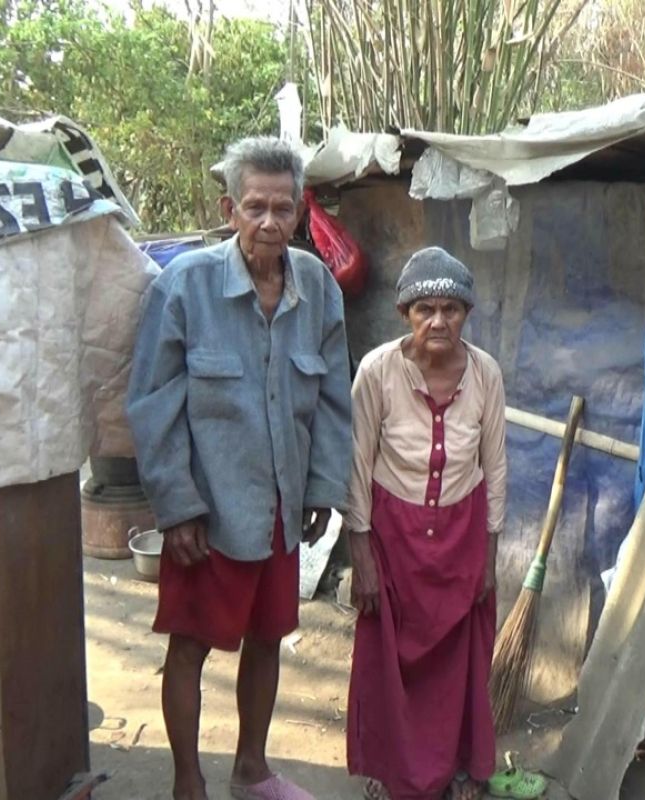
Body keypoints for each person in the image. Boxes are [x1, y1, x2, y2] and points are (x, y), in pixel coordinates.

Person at [127, 136, 352, 800]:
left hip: (281, 504)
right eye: (255, 207)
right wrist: (177, 506)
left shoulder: (317, 288)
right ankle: (187, 781)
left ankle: (252, 769)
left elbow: (334, 398)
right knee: (190, 646)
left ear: (300, 212)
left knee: (269, 637)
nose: (269, 223)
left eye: (283, 209)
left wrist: (321, 486)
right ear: (229, 208)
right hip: (208, 511)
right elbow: (152, 402)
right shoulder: (185, 286)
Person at [345, 247, 506, 800]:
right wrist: (361, 554)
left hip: (462, 533)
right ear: (404, 314)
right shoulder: (377, 371)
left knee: (460, 661)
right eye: (425, 309)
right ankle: (393, 772)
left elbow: (496, 465)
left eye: (452, 309)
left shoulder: (485, 374)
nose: (439, 321)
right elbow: (357, 464)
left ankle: (461, 766)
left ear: (466, 314)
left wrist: (489, 552)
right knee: (388, 661)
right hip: (394, 537)